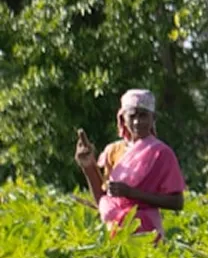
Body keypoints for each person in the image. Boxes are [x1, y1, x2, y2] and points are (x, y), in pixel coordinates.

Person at [73, 89, 185, 241]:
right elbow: (103, 199)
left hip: (147, 235)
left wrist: (133, 194)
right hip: (115, 232)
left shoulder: (162, 153)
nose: (137, 122)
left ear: (153, 118)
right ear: (122, 119)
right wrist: (88, 166)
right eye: (132, 116)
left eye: (143, 115)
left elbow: (177, 202)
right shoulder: (113, 151)